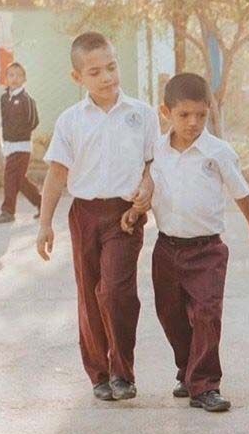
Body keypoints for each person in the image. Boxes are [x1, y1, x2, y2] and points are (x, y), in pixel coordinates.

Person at [121, 73, 249, 413]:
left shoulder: (217, 152)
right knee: (170, 314)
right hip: (167, 249)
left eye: (201, 115)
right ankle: (186, 370)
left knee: (206, 314)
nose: (193, 122)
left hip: (207, 251)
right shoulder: (156, 149)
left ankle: (205, 385)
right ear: (166, 112)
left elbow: (240, 192)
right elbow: (149, 184)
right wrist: (136, 208)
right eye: (184, 115)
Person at [36, 32, 158, 402]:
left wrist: (147, 190)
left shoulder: (142, 114)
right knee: (90, 294)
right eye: (95, 72)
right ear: (78, 78)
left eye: (111, 67)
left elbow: (154, 165)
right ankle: (99, 373)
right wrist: (44, 225)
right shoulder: (71, 121)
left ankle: (124, 372)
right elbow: (56, 175)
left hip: (124, 215)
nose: (107, 77)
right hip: (84, 214)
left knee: (116, 291)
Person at [0, 62, 42, 224]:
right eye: (11, 75)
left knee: (10, 178)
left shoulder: (26, 100)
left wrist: (20, 133)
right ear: (6, 78)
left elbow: (34, 121)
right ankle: (42, 203)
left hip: (22, 146)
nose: (14, 78)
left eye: (18, 75)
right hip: (9, 145)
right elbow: (5, 121)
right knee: (19, 180)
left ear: (24, 79)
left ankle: (7, 211)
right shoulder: (4, 98)